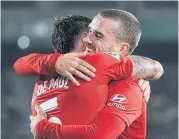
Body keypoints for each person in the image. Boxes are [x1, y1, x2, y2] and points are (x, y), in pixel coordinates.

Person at [14, 11, 163, 139]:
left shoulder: (128, 86)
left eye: (98, 35)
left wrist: (42, 127)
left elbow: (97, 135)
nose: (87, 39)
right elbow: (156, 69)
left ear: (122, 49)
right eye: (89, 32)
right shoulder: (73, 70)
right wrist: (54, 61)